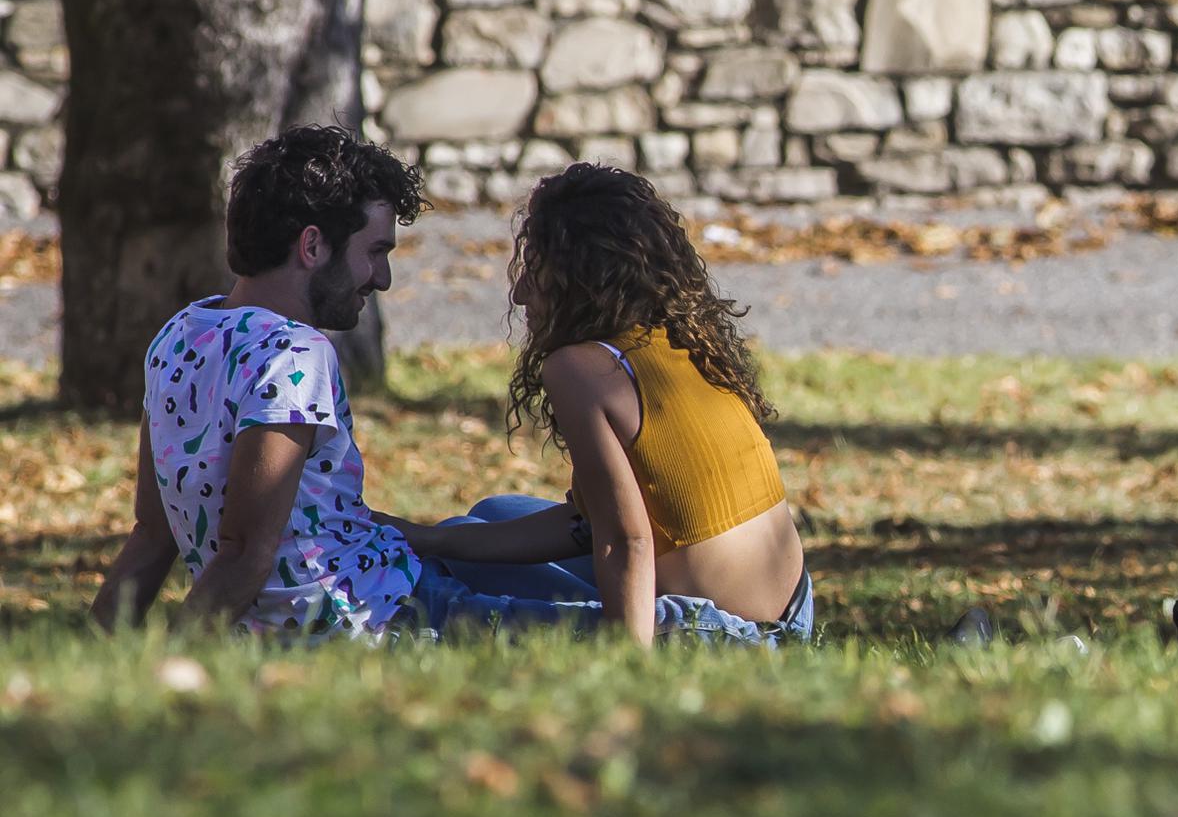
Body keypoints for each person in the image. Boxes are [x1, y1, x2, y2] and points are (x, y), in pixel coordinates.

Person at [381, 164, 811, 648]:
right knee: (491, 513)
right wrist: (430, 536)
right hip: (794, 608)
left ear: (578, 278)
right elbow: (593, 526)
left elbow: (627, 542)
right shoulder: (677, 333)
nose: (520, 293)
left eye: (534, 268)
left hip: (717, 633)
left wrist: (625, 667)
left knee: (432, 598)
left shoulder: (577, 367)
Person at [90, 126, 431, 637]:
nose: (381, 279)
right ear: (312, 245)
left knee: (495, 518)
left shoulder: (179, 336)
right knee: (582, 611)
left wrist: (98, 656)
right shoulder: (294, 353)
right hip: (370, 614)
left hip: (363, 584)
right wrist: (159, 680)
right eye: (376, 251)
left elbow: (152, 534)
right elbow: (246, 554)